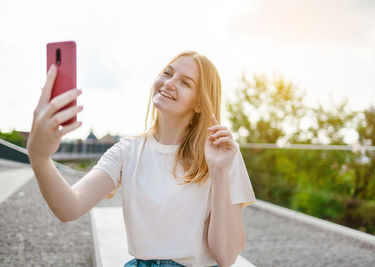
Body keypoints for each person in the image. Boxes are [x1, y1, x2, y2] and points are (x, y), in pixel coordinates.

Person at [27, 51, 256, 267]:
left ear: (199, 103)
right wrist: (40, 159)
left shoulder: (223, 154)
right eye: (167, 73)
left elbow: (226, 256)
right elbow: (70, 207)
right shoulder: (126, 151)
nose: (169, 83)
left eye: (185, 83)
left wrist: (219, 172)